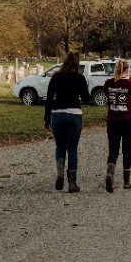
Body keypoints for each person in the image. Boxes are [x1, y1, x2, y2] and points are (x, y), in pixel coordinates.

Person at [43, 52, 89, 193]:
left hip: (57, 114)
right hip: (74, 114)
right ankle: (72, 183)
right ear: (77, 64)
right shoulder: (79, 78)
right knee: (72, 148)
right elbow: (86, 98)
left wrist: (46, 119)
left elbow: (49, 98)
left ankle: (60, 173)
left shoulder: (56, 77)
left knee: (60, 146)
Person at [103, 58, 131, 192]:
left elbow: (107, 95)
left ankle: (110, 173)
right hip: (127, 120)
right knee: (126, 149)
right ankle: (126, 181)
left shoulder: (108, 83)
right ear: (126, 70)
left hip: (113, 120)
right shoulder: (130, 84)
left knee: (113, 150)